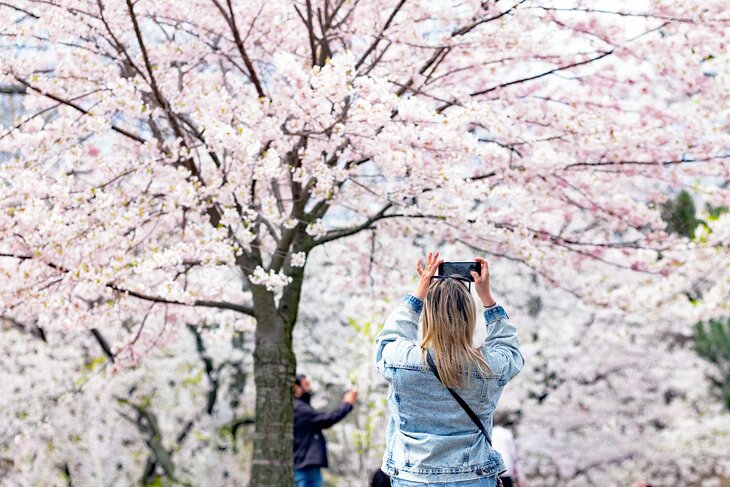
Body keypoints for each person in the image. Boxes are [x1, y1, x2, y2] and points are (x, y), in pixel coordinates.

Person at [375, 252, 524, 487]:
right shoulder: (487, 366)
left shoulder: (401, 360)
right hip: (472, 477)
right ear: (469, 316)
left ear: (429, 315)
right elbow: (510, 349)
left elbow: (389, 337)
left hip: (414, 477)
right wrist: (487, 298)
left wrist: (419, 293)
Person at [293, 374, 358, 487]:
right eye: (306, 384)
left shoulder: (300, 407)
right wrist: (348, 404)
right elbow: (327, 419)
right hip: (304, 467)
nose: (310, 387)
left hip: (305, 465)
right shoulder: (299, 408)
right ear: (297, 388)